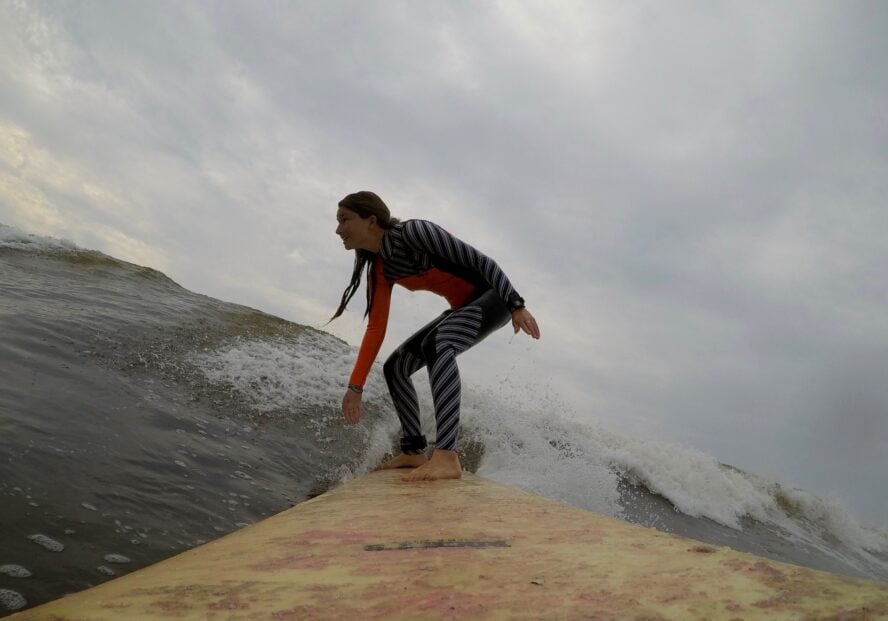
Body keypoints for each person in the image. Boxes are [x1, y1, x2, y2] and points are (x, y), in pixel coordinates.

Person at [330, 191, 540, 481]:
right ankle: (415, 450)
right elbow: (376, 329)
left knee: (440, 343)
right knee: (396, 367)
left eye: (344, 219)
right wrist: (356, 387)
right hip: (464, 308)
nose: (338, 229)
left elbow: (483, 263)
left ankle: (447, 455)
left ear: (371, 220)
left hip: (494, 298)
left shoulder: (415, 232)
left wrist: (517, 305)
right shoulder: (380, 270)